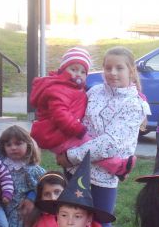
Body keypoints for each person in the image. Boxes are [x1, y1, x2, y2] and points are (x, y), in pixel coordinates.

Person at [56, 46, 144, 227]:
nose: (113, 73)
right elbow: (73, 121)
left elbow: (109, 144)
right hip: (76, 173)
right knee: (72, 224)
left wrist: (70, 155)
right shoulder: (93, 92)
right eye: (108, 68)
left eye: (119, 68)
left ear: (131, 71)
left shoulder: (134, 105)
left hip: (103, 177)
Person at [30, 47, 132, 177]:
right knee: (88, 146)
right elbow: (60, 114)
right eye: (73, 69)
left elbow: (82, 97)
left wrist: (136, 94)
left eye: (83, 72)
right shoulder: (57, 89)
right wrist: (78, 129)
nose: (78, 74)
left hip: (61, 132)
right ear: (62, 69)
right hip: (57, 134)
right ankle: (119, 167)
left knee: (89, 146)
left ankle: (118, 167)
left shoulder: (72, 87)